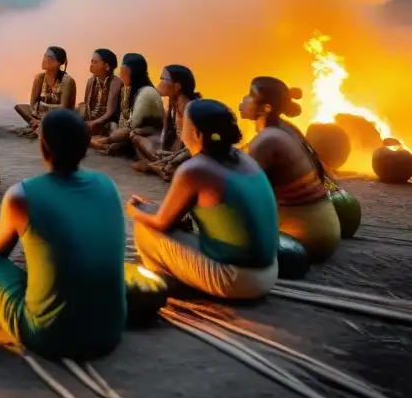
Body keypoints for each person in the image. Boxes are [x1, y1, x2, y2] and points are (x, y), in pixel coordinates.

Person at [0, 109, 126, 359]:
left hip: (49, 337)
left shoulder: (21, 196)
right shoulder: (107, 185)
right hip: (110, 333)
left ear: (43, 147)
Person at [128, 99, 278, 300]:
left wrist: (133, 210)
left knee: (144, 229)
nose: (179, 124)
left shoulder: (195, 169)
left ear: (197, 134)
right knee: (161, 217)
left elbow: (160, 222)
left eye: (183, 122)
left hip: (237, 280)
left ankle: (162, 281)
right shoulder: (244, 158)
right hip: (270, 271)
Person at [240, 77, 341, 264]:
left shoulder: (268, 140)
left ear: (266, 108)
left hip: (302, 239)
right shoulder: (284, 128)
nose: (243, 99)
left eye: (250, 95)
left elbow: (238, 185)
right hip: (324, 227)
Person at [131, 65, 200, 178]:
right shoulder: (173, 104)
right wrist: (163, 153)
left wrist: (170, 157)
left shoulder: (189, 108)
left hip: (189, 157)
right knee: (136, 138)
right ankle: (159, 166)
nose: (160, 82)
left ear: (177, 86)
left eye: (163, 79)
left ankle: (156, 167)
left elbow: (193, 147)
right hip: (174, 153)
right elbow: (166, 135)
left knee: (142, 164)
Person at [91, 53, 163, 155]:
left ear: (130, 72)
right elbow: (123, 118)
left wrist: (105, 140)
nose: (121, 75)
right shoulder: (128, 89)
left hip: (147, 139)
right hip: (131, 134)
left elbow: (131, 126)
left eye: (123, 71)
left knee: (132, 135)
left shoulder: (146, 93)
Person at [12, 46, 76, 139]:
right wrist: (36, 116)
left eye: (49, 58)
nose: (44, 60)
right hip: (39, 115)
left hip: (58, 118)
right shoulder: (39, 78)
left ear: (58, 63)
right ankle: (37, 126)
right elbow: (33, 103)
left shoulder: (67, 80)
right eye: (44, 56)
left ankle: (39, 128)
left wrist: (43, 113)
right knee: (19, 107)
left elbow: (64, 109)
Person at [76, 49, 122, 137]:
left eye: (95, 62)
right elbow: (87, 105)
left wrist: (92, 124)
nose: (91, 65)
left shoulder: (116, 82)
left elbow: (110, 113)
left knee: (113, 126)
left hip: (107, 122)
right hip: (92, 119)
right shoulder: (91, 81)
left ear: (106, 66)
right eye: (91, 61)